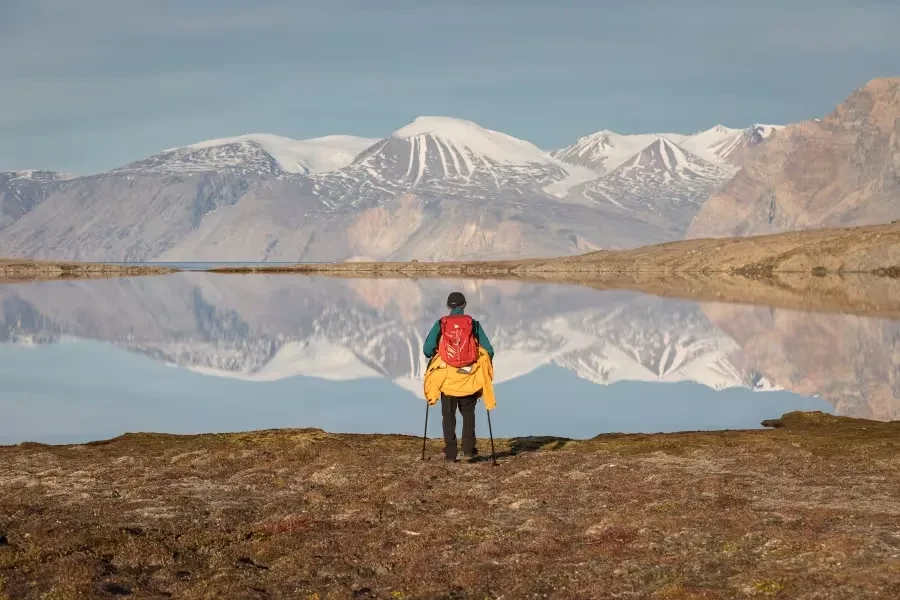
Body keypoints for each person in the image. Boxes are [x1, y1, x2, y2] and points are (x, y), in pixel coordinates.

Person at [422, 292, 494, 462]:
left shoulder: (441, 324)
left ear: (449, 307)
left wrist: (438, 353)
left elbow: (427, 349)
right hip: (469, 377)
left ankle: (451, 453)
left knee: (448, 416)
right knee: (468, 414)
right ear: (464, 305)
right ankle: (468, 450)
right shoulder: (473, 325)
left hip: (447, 379)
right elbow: (489, 350)